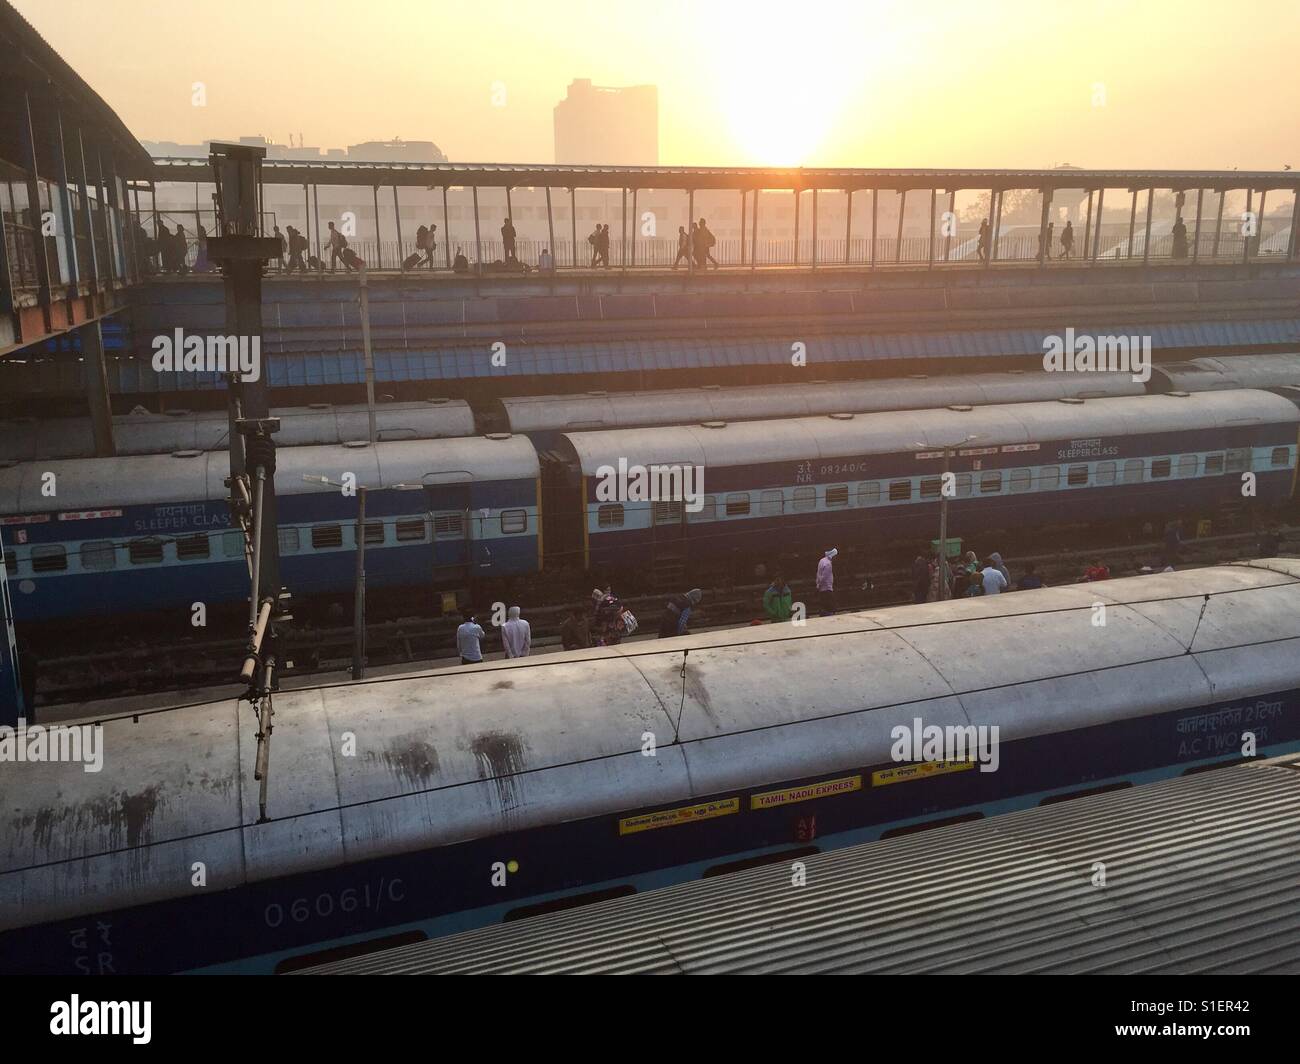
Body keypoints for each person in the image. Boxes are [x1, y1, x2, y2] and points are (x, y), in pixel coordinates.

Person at [816, 548, 837, 615]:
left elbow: (818, 573)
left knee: (823, 603)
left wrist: (818, 584)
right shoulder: (828, 564)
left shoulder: (821, 560)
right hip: (827, 587)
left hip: (822, 587)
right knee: (830, 606)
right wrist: (820, 584)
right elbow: (824, 577)